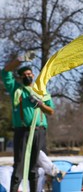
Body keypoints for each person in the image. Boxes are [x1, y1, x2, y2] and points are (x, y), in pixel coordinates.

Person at [1, 51, 55, 192]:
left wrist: (40, 104)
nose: (28, 76)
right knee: (19, 166)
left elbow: (51, 111)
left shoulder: (41, 91)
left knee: (34, 168)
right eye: (24, 75)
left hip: (39, 132)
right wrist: (21, 59)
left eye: (30, 74)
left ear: (33, 75)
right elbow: (5, 72)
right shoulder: (16, 90)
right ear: (20, 77)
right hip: (22, 132)